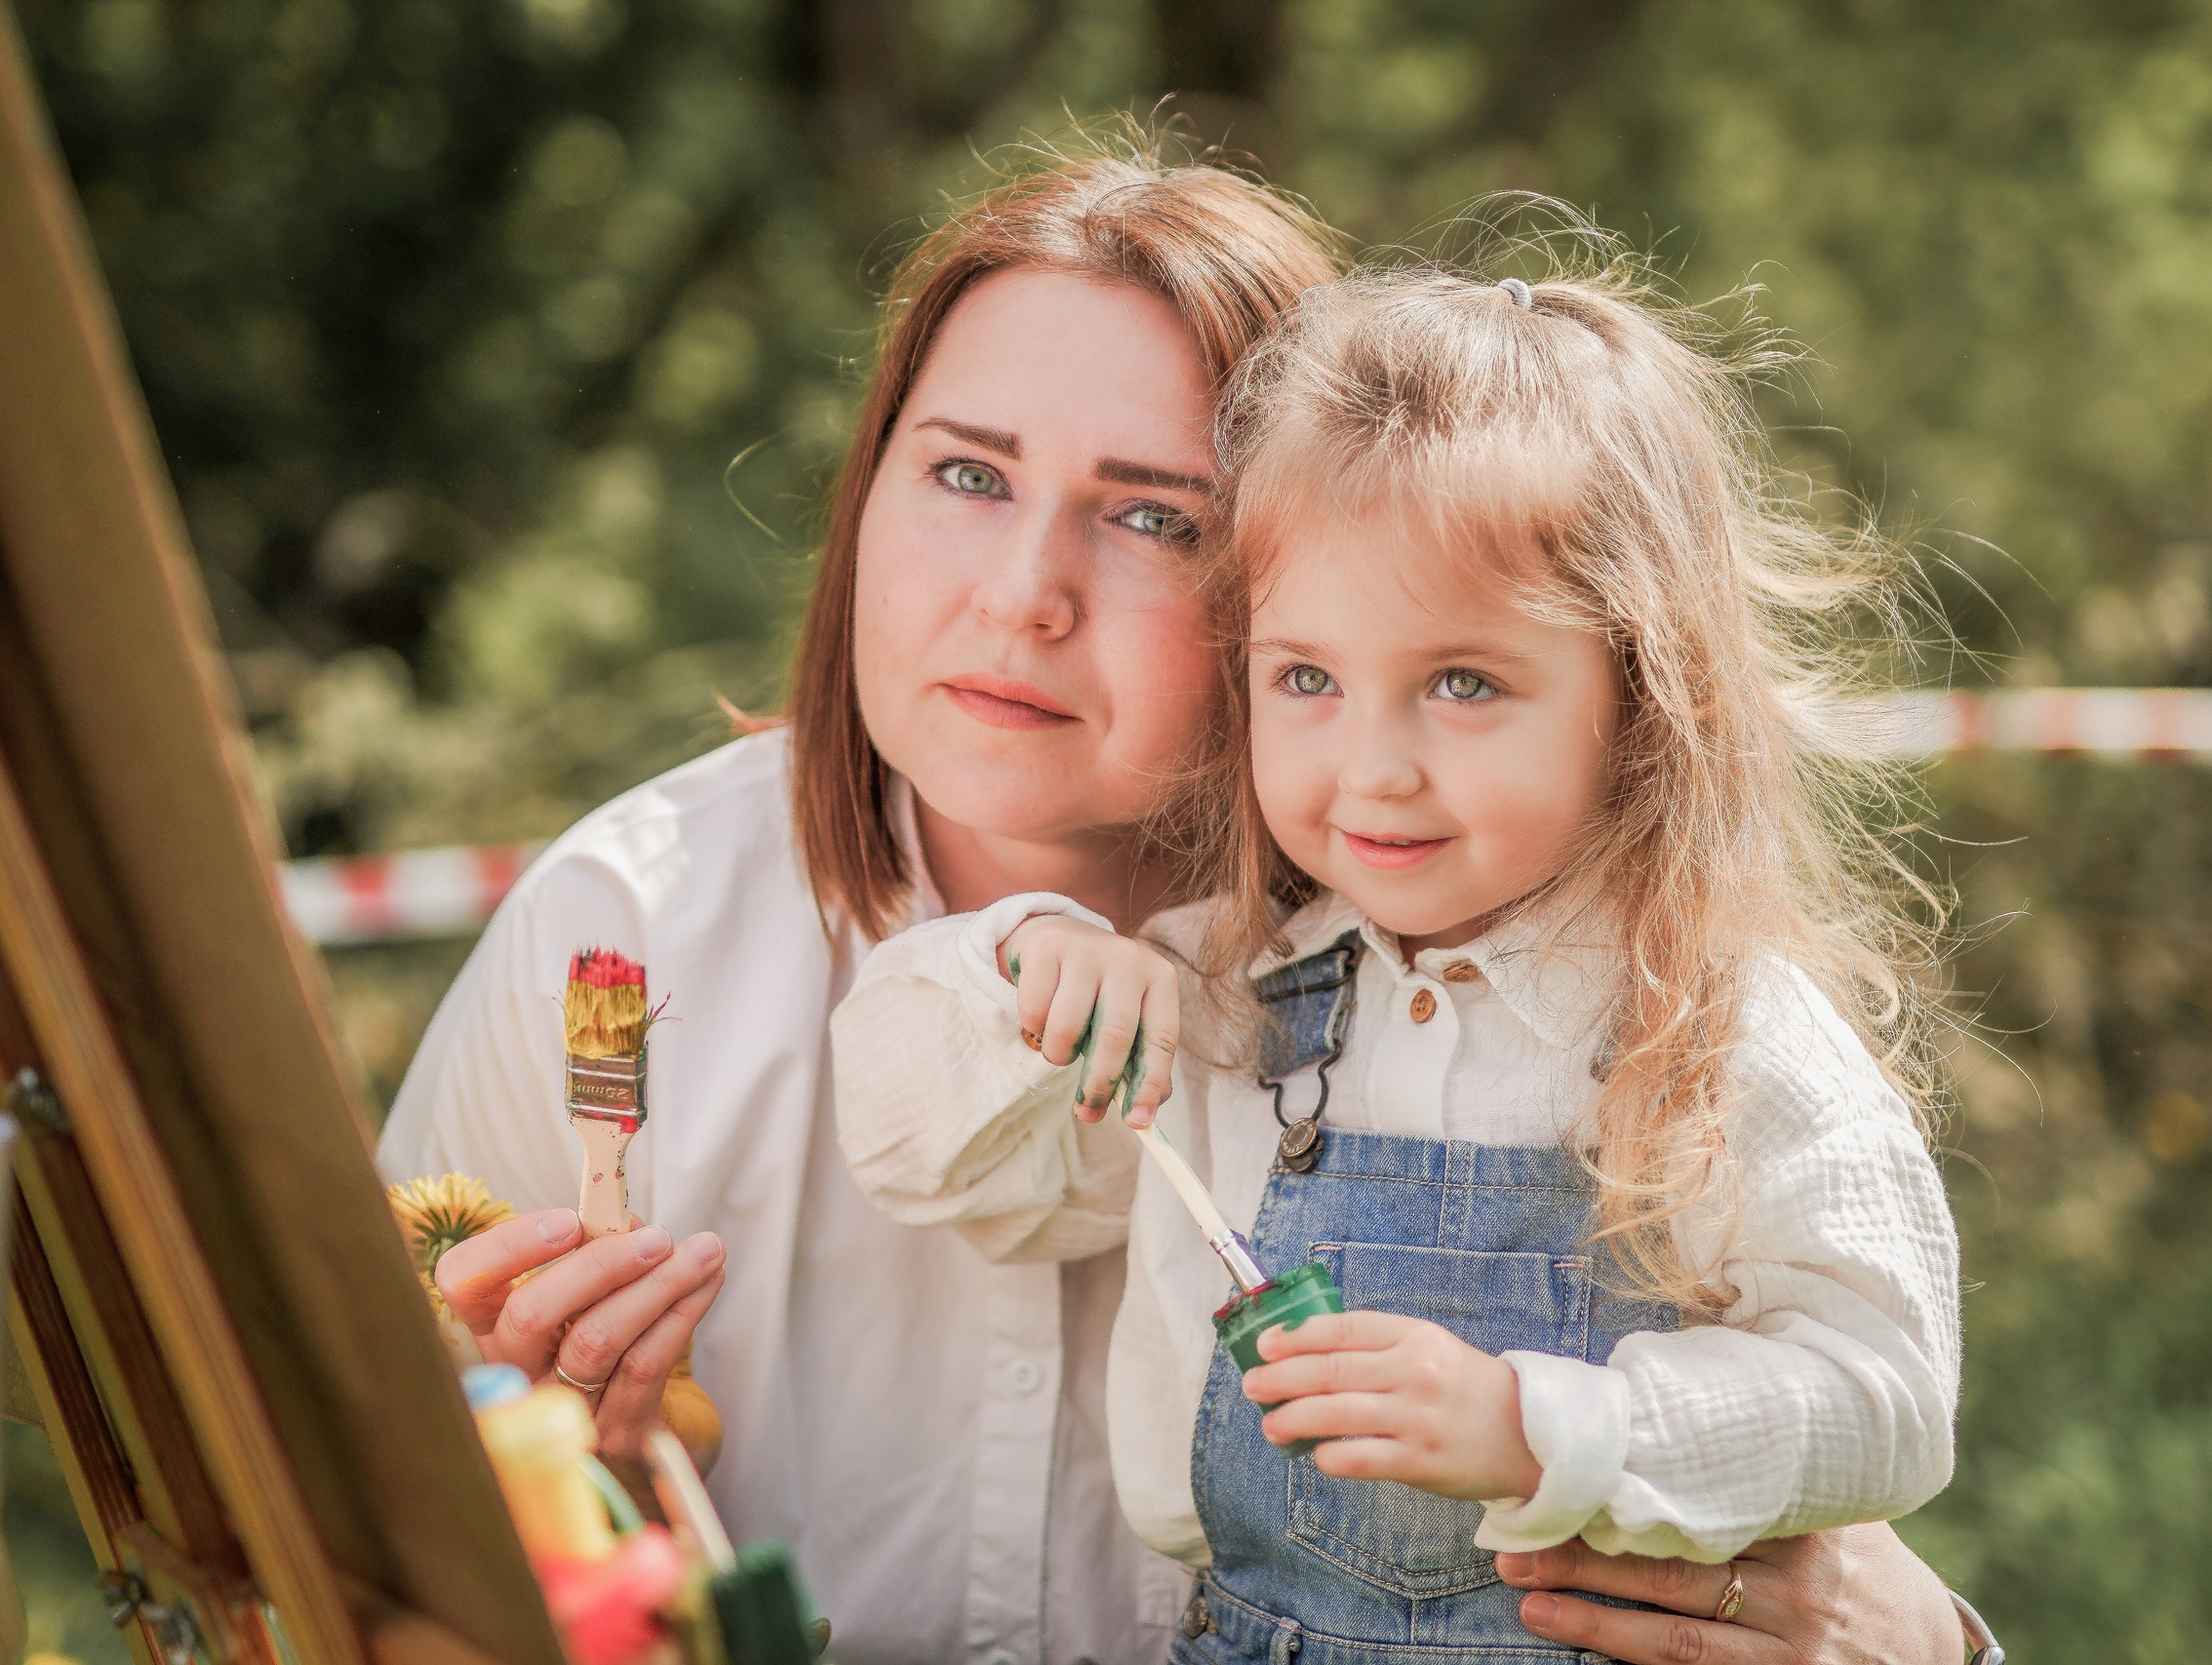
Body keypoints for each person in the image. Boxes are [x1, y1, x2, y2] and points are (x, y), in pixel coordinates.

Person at [376, 139, 1991, 1665]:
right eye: (963, 474)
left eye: (1156, 516)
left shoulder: (1514, 991)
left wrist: (1920, 1638)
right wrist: (516, 1487)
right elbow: (351, 1523)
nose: (1024, 592)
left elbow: (1840, 1400)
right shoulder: (629, 925)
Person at [832, 258, 1958, 1663]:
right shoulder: (1238, 1002)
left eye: (1463, 684)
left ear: (1642, 689)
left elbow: (1888, 1394)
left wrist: (1536, 1425)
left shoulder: (1715, 1029)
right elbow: (914, 1151)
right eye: (1307, 680)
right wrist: (1033, 963)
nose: (1371, 770)